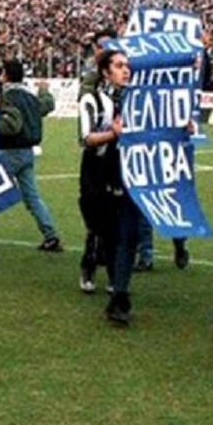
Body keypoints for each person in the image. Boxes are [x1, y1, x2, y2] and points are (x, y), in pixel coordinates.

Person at [76, 49, 140, 325]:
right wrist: (112, 134)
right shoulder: (92, 100)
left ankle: (117, 284)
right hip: (96, 171)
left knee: (118, 231)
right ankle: (89, 266)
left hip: (123, 171)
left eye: (127, 66)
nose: (125, 70)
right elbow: (86, 138)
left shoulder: (136, 101)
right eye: (118, 65)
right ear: (105, 71)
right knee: (99, 227)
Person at [0, 59, 62, 252]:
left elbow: (11, 126)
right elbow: (47, 105)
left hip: (9, 151)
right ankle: (50, 235)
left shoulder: (7, 97)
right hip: (27, 152)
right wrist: (44, 89)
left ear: (6, 75)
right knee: (32, 197)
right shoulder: (30, 97)